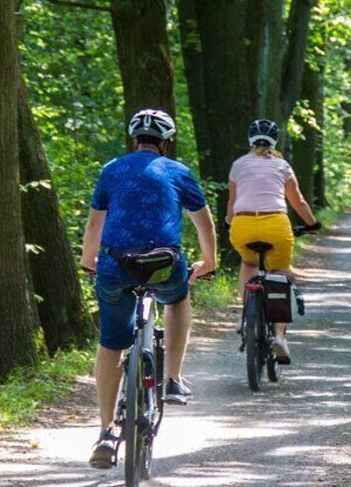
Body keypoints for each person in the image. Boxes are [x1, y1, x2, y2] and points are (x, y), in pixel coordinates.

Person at [80, 109, 217, 469]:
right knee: (177, 299)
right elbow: (205, 225)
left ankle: (106, 432)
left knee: (111, 343)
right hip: (162, 266)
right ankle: (172, 378)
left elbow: (96, 224)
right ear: (166, 142)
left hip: (115, 266)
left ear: (133, 140)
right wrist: (209, 261)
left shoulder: (112, 169)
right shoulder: (178, 171)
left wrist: (88, 260)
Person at [226, 119, 321, 364]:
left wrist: (230, 221)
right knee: (280, 274)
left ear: (250, 139)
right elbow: (297, 201)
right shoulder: (282, 165)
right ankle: (279, 336)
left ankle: (246, 315)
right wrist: (311, 224)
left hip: (243, 225)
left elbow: (232, 203)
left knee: (248, 265)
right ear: (275, 141)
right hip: (276, 225)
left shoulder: (238, 165)